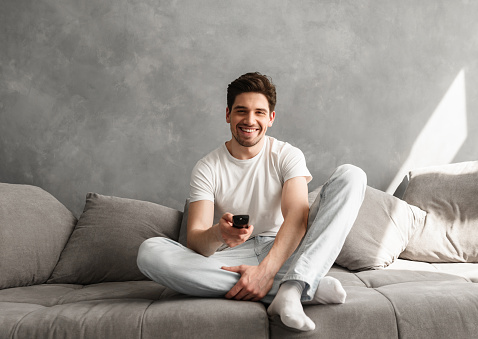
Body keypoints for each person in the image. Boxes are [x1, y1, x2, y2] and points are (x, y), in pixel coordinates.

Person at [137, 72, 366, 331]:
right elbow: (196, 241)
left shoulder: (287, 155)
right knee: (149, 252)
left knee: (352, 175)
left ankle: (292, 286)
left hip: (284, 249)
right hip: (231, 256)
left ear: (271, 118)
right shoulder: (207, 167)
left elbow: (297, 217)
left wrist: (266, 271)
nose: (249, 120)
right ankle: (298, 286)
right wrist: (218, 233)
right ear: (228, 115)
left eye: (259, 112)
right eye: (241, 111)